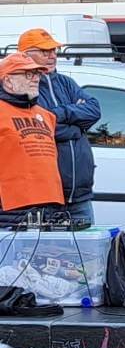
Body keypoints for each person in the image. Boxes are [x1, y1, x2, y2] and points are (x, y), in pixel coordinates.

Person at [18, 29, 101, 226]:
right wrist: (77, 128)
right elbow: (39, 129)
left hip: (79, 194)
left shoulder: (66, 82)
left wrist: (60, 114)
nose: (53, 55)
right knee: (48, 254)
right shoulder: (22, 87)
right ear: (25, 54)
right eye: (45, 51)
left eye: (54, 50)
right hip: (44, 198)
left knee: (85, 253)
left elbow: (94, 110)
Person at [0, 53, 64, 226]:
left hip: (50, 203)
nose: (35, 78)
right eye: (28, 74)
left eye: (37, 73)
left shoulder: (47, 115)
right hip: (11, 208)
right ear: (7, 81)